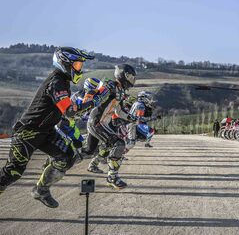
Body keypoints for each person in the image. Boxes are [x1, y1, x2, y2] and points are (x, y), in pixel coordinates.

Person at [0, 47, 104, 208]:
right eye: (77, 65)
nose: (80, 69)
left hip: (46, 131)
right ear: (66, 64)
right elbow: (70, 112)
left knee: (67, 157)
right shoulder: (57, 82)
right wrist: (93, 102)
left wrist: (90, 101)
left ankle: (41, 190)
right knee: (13, 172)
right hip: (28, 132)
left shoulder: (63, 82)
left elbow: (72, 109)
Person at [83, 64, 137, 190]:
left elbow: (119, 111)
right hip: (97, 122)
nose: (132, 80)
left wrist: (131, 118)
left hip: (102, 123)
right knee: (119, 144)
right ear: (123, 75)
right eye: (130, 77)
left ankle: (63, 159)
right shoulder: (110, 86)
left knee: (88, 151)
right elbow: (95, 98)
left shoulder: (120, 91)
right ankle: (112, 177)